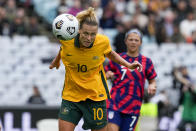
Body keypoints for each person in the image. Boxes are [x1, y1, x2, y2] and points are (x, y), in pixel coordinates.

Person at [49, 7, 142, 131]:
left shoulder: (102, 42)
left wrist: (128, 65)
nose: (89, 38)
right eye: (86, 33)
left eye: (93, 34)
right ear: (78, 31)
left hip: (95, 97)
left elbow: (110, 53)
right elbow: (63, 49)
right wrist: (56, 61)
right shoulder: (67, 40)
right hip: (71, 96)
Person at [104, 28, 157, 131]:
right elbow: (104, 73)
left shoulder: (147, 61)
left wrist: (152, 85)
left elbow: (152, 80)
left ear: (141, 42)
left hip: (133, 106)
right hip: (114, 103)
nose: (133, 42)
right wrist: (108, 74)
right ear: (125, 41)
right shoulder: (118, 58)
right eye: (131, 39)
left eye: (136, 40)